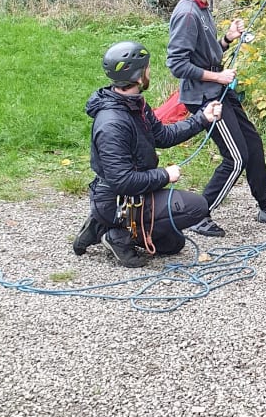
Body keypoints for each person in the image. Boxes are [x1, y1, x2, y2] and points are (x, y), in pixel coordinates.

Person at [166, 0, 266, 236]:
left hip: (219, 90)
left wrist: (226, 39)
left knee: (253, 145)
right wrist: (218, 76)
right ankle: (199, 217)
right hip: (204, 98)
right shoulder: (187, 13)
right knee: (236, 157)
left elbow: (205, 54)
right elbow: (177, 64)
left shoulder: (202, 8)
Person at [71, 41, 223, 268]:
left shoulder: (135, 104)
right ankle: (115, 234)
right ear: (139, 76)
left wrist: (202, 118)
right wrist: (164, 175)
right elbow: (121, 180)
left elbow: (162, 136)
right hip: (117, 199)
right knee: (196, 207)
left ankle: (102, 225)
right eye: (147, 68)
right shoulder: (112, 123)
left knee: (173, 245)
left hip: (137, 193)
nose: (150, 71)